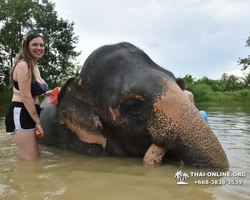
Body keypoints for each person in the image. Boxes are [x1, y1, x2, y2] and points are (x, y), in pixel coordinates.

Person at [5, 32, 53, 160]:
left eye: (42, 45)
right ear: (26, 47)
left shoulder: (34, 66)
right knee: (30, 160)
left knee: (33, 158)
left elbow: (32, 90)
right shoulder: (24, 65)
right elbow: (26, 97)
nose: (39, 48)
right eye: (35, 45)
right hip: (21, 113)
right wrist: (38, 122)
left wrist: (46, 93)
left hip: (30, 113)